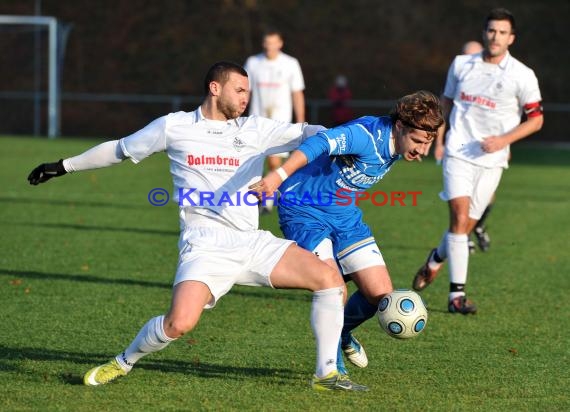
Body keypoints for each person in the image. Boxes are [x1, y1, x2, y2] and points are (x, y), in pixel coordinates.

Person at [27, 61, 368, 391]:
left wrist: (349, 140)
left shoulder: (255, 129)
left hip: (251, 241)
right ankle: (123, 361)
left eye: (248, 91)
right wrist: (63, 166)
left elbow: (311, 133)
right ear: (214, 88)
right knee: (179, 323)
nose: (246, 97)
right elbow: (119, 150)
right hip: (205, 243)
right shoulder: (174, 127)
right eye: (239, 90)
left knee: (329, 280)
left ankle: (325, 375)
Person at [249, 91, 444, 377]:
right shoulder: (365, 135)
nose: (421, 152)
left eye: (427, 144)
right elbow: (319, 143)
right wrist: (278, 176)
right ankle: (331, 370)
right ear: (400, 127)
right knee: (333, 289)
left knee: (380, 295)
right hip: (304, 210)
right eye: (418, 142)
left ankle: (341, 334)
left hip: (344, 215)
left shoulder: (400, 141)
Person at [413, 8, 544, 314]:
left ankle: (436, 259)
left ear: (511, 38)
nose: (495, 36)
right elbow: (445, 103)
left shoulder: (522, 75)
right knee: (459, 220)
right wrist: (437, 138)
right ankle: (456, 296)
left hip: (493, 159)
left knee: (465, 227)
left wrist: (503, 141)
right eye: (491, 30)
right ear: (484, 32)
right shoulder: (461, 64)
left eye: (502, 32)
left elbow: (536, 120)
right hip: (459, 152)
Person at [434, 40, 493, 254]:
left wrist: (505, 144)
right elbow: (444, 110)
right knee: (460, 201)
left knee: (487, 199)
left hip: (488, 150)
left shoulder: (495, 79)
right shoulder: (458, 75)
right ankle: (463, 237)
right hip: (459, 145)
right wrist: (439, 142)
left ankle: (476, 228)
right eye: (465, 54)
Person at [244, 29, 306, 213]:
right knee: (252, 162)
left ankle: (267, 202)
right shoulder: (253, 63)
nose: (269, 46)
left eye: (273, 42)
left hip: (280, 123)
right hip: (256, 121)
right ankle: (254, 197)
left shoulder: (290, 63)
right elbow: (245, 91)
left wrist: (300, 120)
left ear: (280, 43)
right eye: (266, 42)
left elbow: (297, 93)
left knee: (273, 162)